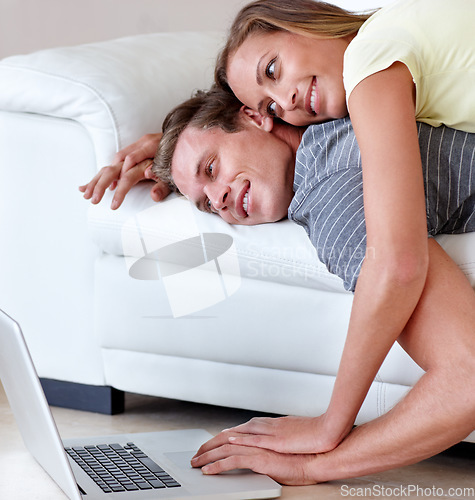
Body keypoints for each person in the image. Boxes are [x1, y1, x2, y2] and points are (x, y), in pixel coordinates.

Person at [81, 86, 475, 484]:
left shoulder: (334, 198)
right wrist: (178, 151)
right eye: (205, 204)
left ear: (255, 116)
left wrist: (313, 463)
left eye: (212, 169)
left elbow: (468, 379)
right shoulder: (347, 110)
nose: (218, 200)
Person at [203, 0, 475, 478]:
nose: (285, 102)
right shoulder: (401, 33)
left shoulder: (371, 64)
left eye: (273, 69)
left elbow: (396, 265)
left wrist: (329, 431)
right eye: (269, 107)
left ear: (302, 21)